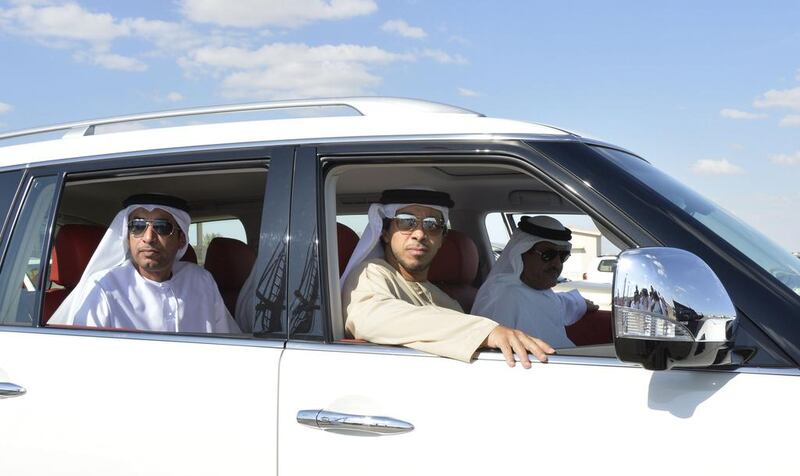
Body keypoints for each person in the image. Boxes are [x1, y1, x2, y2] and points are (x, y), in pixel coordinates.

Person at [341, 188, 554, 368]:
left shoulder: (446, 300)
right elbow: (373, 318)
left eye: (432, 224)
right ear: (385, 233)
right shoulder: (371, 273)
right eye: (406, 222)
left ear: (443, 238)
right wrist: (486, 332)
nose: (419, 234)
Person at [49, 194, 240, 333]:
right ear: (128, 236)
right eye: (138, 226)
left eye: (162, 227)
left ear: (182, 240)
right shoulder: (104, 288)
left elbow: (231, 344)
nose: (148, 237)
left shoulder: (201, 280)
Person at [472, 215, 598, 348]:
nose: (557, 264)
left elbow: (556, 303)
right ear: (521, 253)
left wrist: (580, 302)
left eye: (562, 256)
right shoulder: (502, 297)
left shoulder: (536, 291)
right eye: (547, 255)